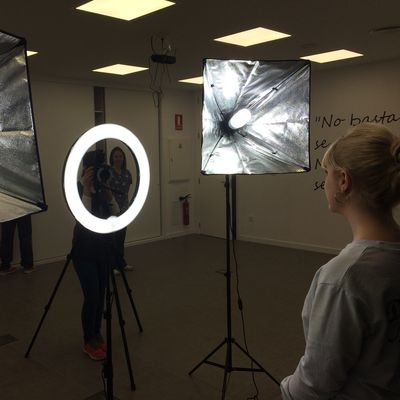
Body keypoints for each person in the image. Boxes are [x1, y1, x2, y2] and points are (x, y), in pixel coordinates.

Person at [281, 123, 400, 399]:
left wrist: (286, 389)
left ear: (344, 181)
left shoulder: (343, 278)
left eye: (326, 174)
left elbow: (314, 384)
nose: (325, 182)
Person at [72, 150, 120, 361]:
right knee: (91, 295)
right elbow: (84, 218)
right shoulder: (77, 189)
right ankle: (88, 339)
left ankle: (97, 333)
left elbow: (116, 212)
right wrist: (87, 189)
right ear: (85, 170)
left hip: (103, 250)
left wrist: (108, 192)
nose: (97, 173)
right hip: (83, 252)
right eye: (93, 169)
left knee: (100, 296)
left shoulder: (103, 186)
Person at [108, 146, 133, 274]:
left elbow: (126, 192)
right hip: (112, 210)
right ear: (112, 158)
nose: (118, 159)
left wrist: (124, 207)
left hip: (124, 209)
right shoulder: (109, 173)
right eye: (116, 156)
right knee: (113, 239)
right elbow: (107, 191)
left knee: (121, 238)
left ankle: (121, 263)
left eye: (121, 156)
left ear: (124, 158)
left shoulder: (127, 173)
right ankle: (113, 266)